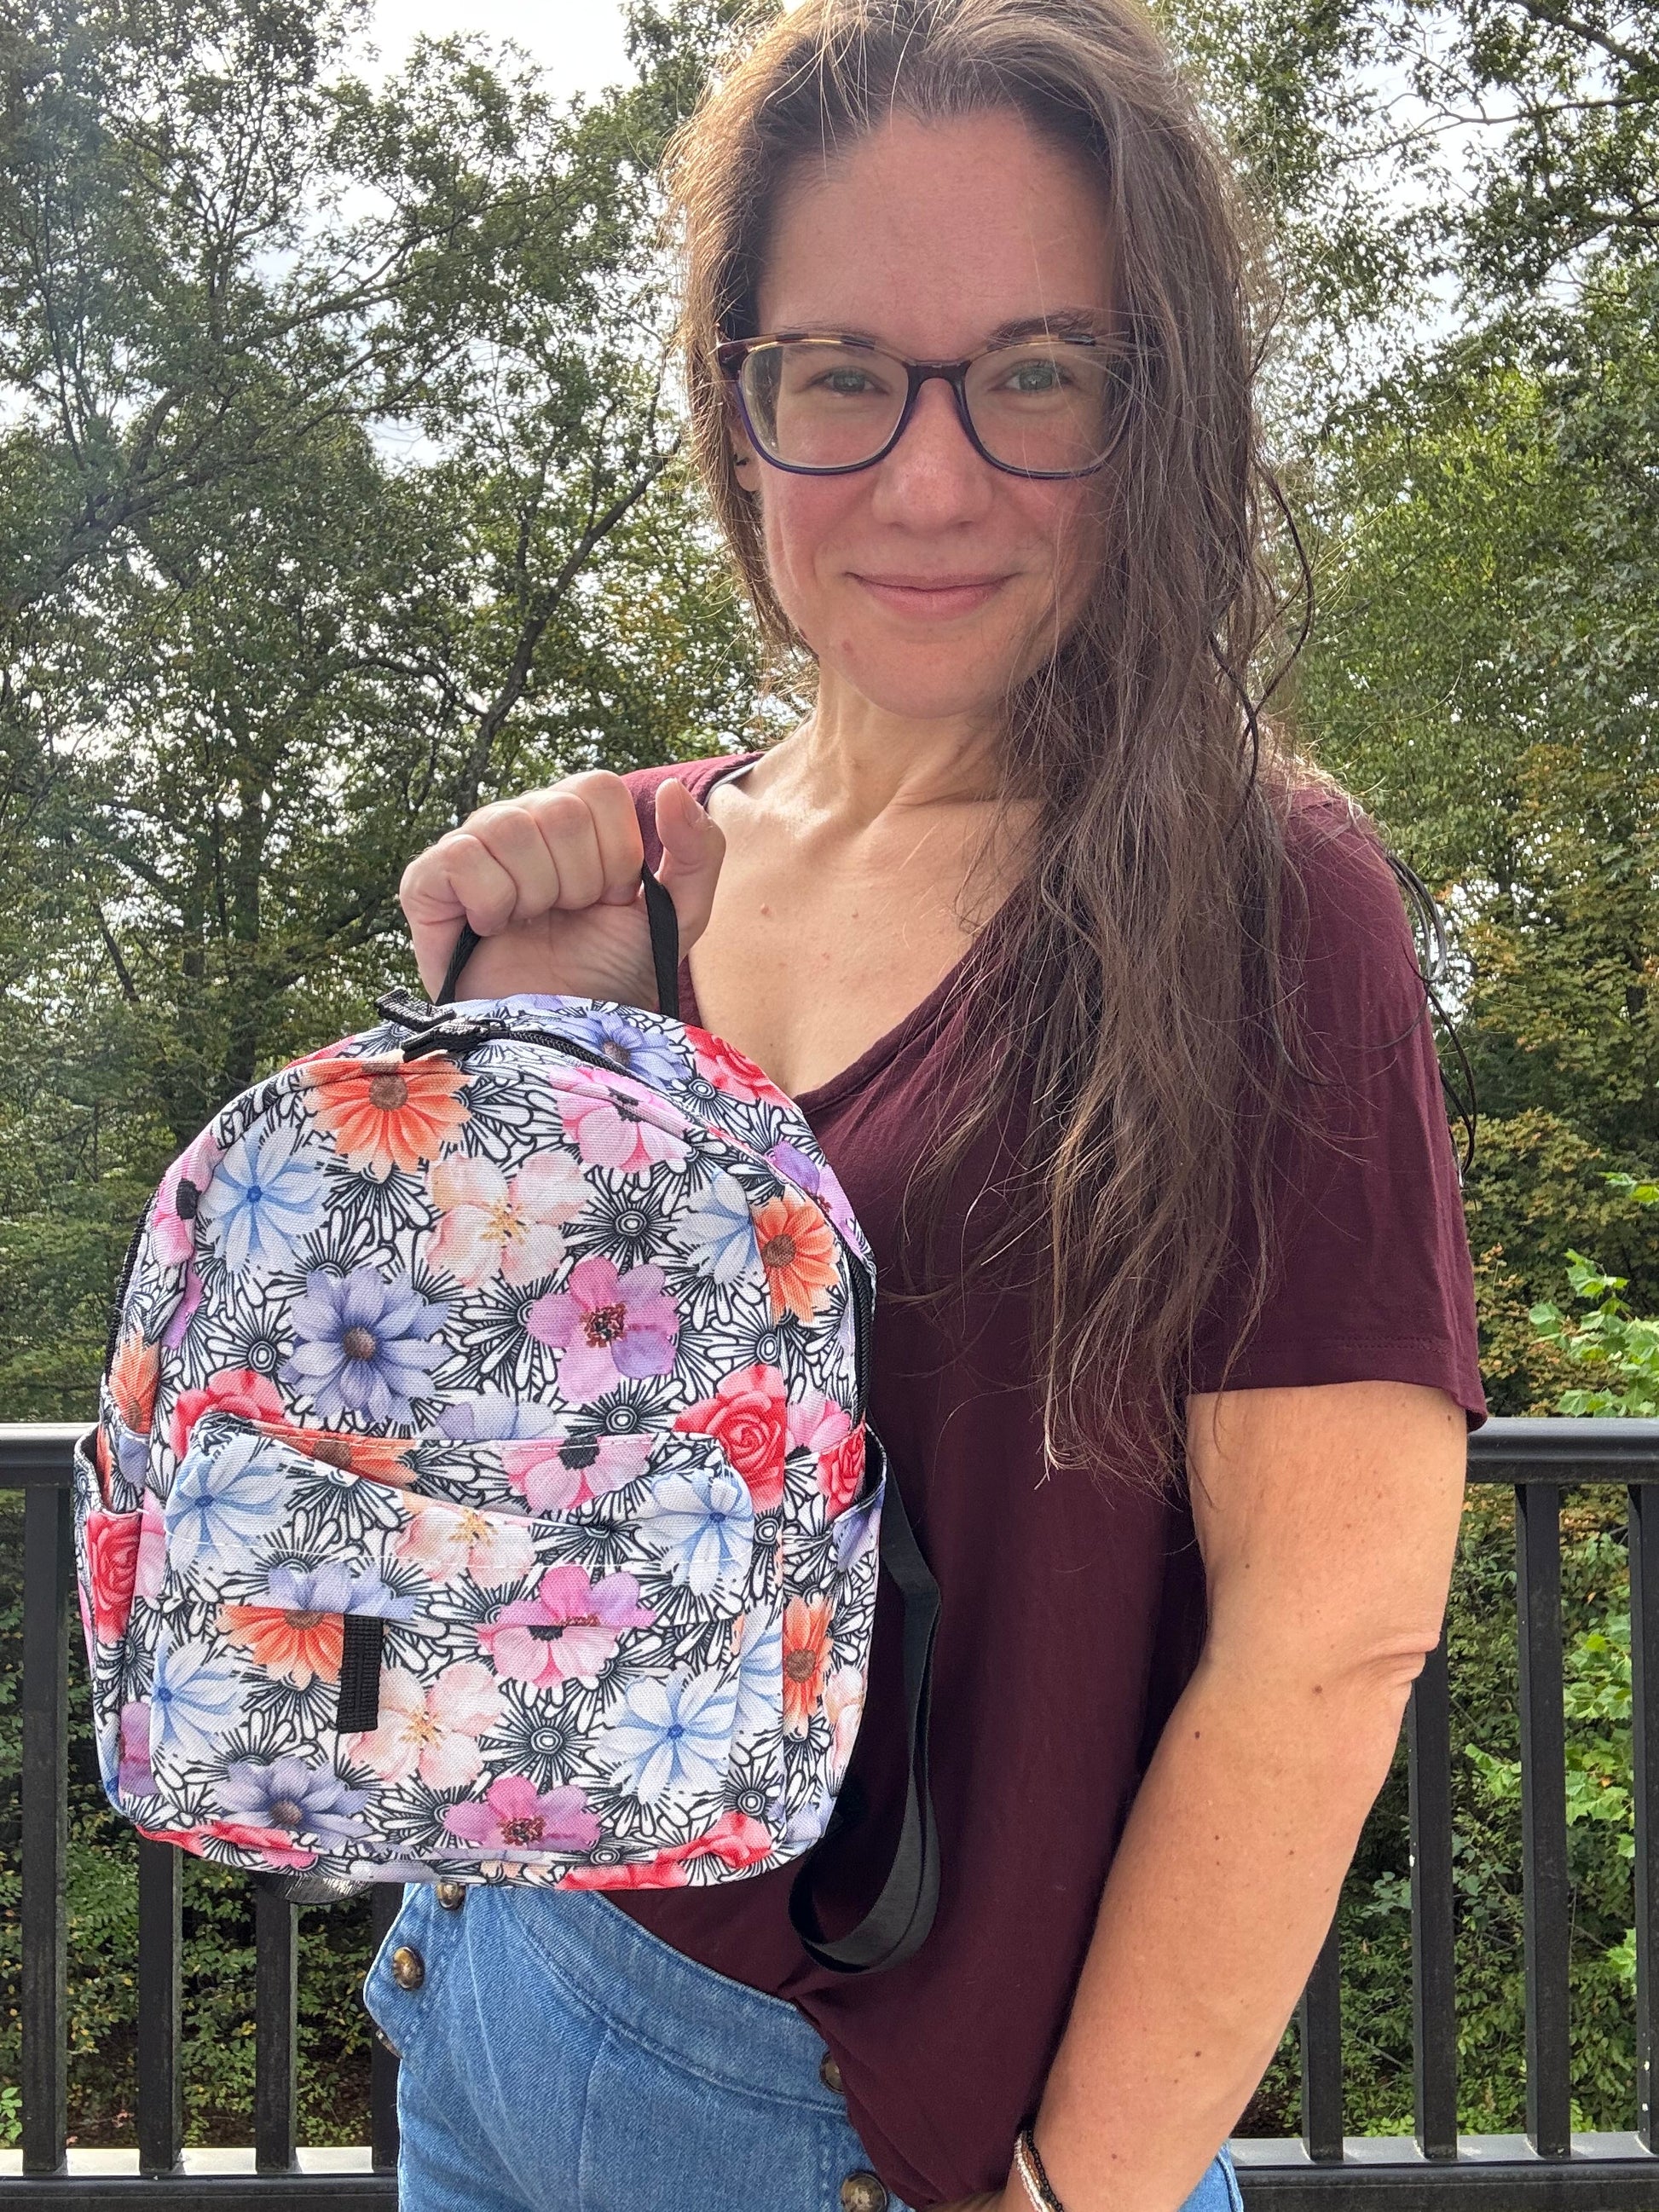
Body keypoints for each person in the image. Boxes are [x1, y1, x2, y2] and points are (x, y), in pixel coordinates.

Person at [374, 2, 1487, 2208]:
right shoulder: (646, 867)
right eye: (842, 374)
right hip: (489, 1960)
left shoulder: (1254, 894)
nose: (931, 480)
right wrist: (517, 1050)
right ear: (741, 408)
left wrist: (1080, 2189)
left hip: (840, 2119)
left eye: (1037, 373)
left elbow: (1330, 1636)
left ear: (1158, 405)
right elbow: (489, 1476)